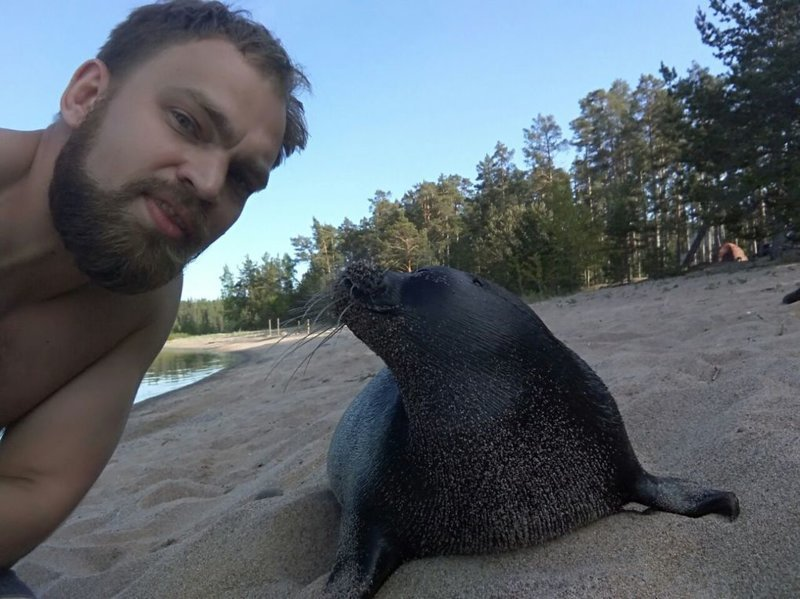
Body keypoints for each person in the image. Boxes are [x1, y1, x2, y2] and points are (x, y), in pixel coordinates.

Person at [0, 1, 308, 594]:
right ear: (87, 95)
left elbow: (31, 487)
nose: (210, 183)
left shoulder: (143, 304)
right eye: (187, 122)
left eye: (243, 178)